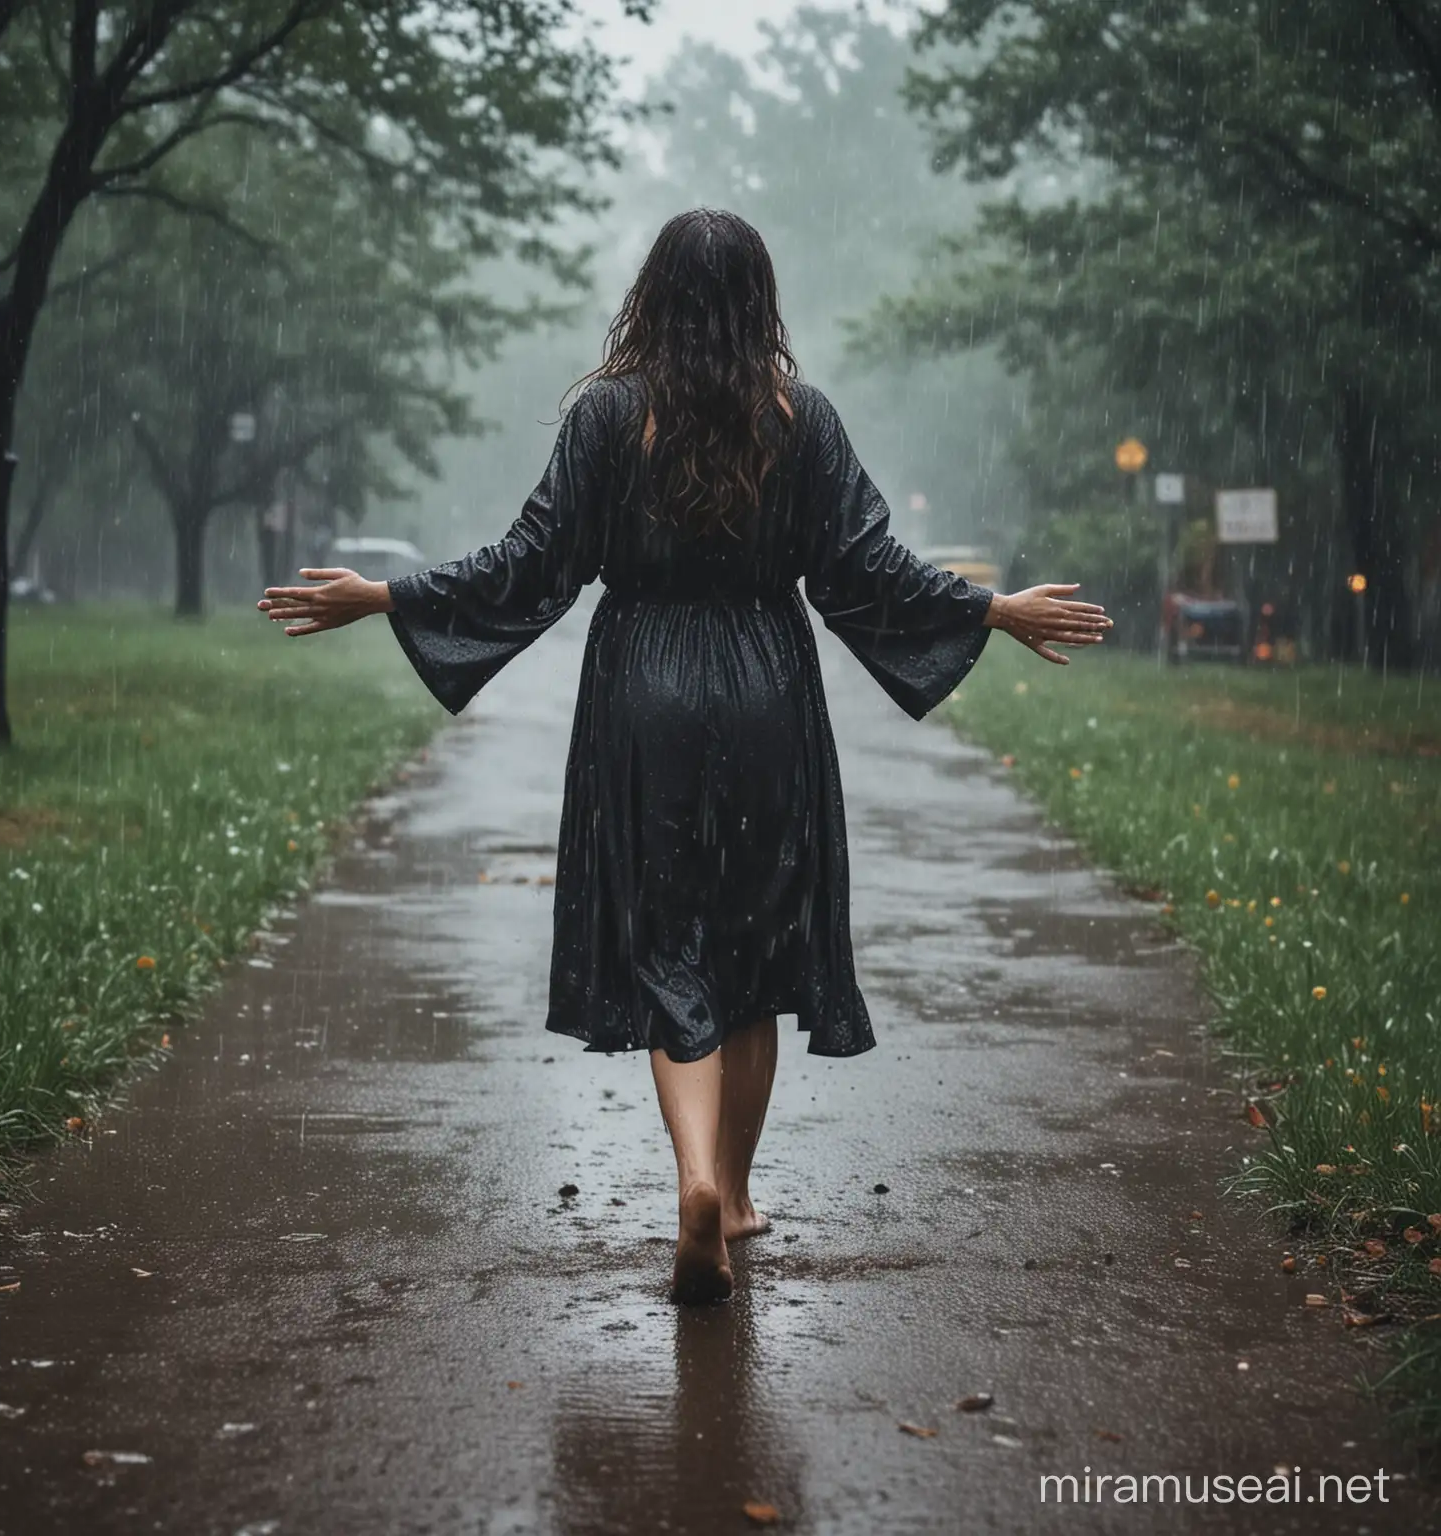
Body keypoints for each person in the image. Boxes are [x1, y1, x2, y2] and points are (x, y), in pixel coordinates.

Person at [258, 209, 1111, 1306]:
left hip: (642, 687)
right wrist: (991, 608)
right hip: (765, 680)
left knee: (668, 943)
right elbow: (867, 566)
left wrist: (388, 594)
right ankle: (740, 1196)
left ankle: (695, 1180)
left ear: (651, 295)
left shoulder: (608, 416)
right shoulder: (802, 420)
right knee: (754, 953)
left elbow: (534, 561)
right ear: (761, 299)